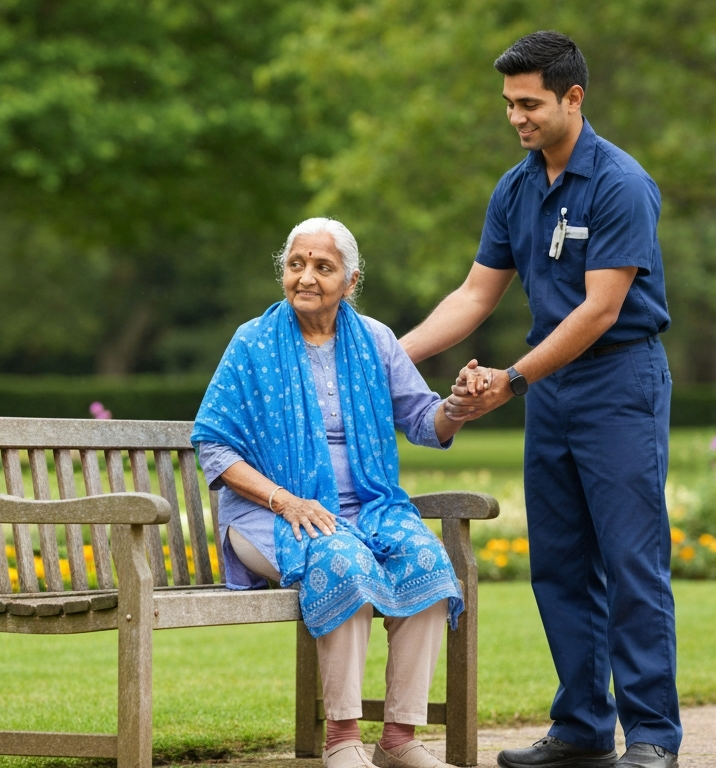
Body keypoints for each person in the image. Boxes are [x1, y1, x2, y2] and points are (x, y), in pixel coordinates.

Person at [399, 32, 681, 768]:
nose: (517, 118)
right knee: (558, 563)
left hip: (619, 384)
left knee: (632, 561)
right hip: (552, 392)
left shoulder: (619, 183)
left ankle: (652, 737)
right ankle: (583, 728)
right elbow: (474, 294)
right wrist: (388, 357)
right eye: (508, 105)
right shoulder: (516, 187)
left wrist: (512, 381)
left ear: (573, 98)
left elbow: (599, 311)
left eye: (530, 104)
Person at [192, 217, 469, 768]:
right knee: (344, 561)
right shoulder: (252, 343)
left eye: (323, 267)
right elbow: (214, 448)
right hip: (267, 514)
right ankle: (342, 738)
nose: (307, 277)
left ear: (351, 280)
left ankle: (399, 739)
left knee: (428, 561)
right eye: (296, 265)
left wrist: (458, 404)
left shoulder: (376, 341)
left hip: (366, 506)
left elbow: (423, 421)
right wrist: (286, 500)